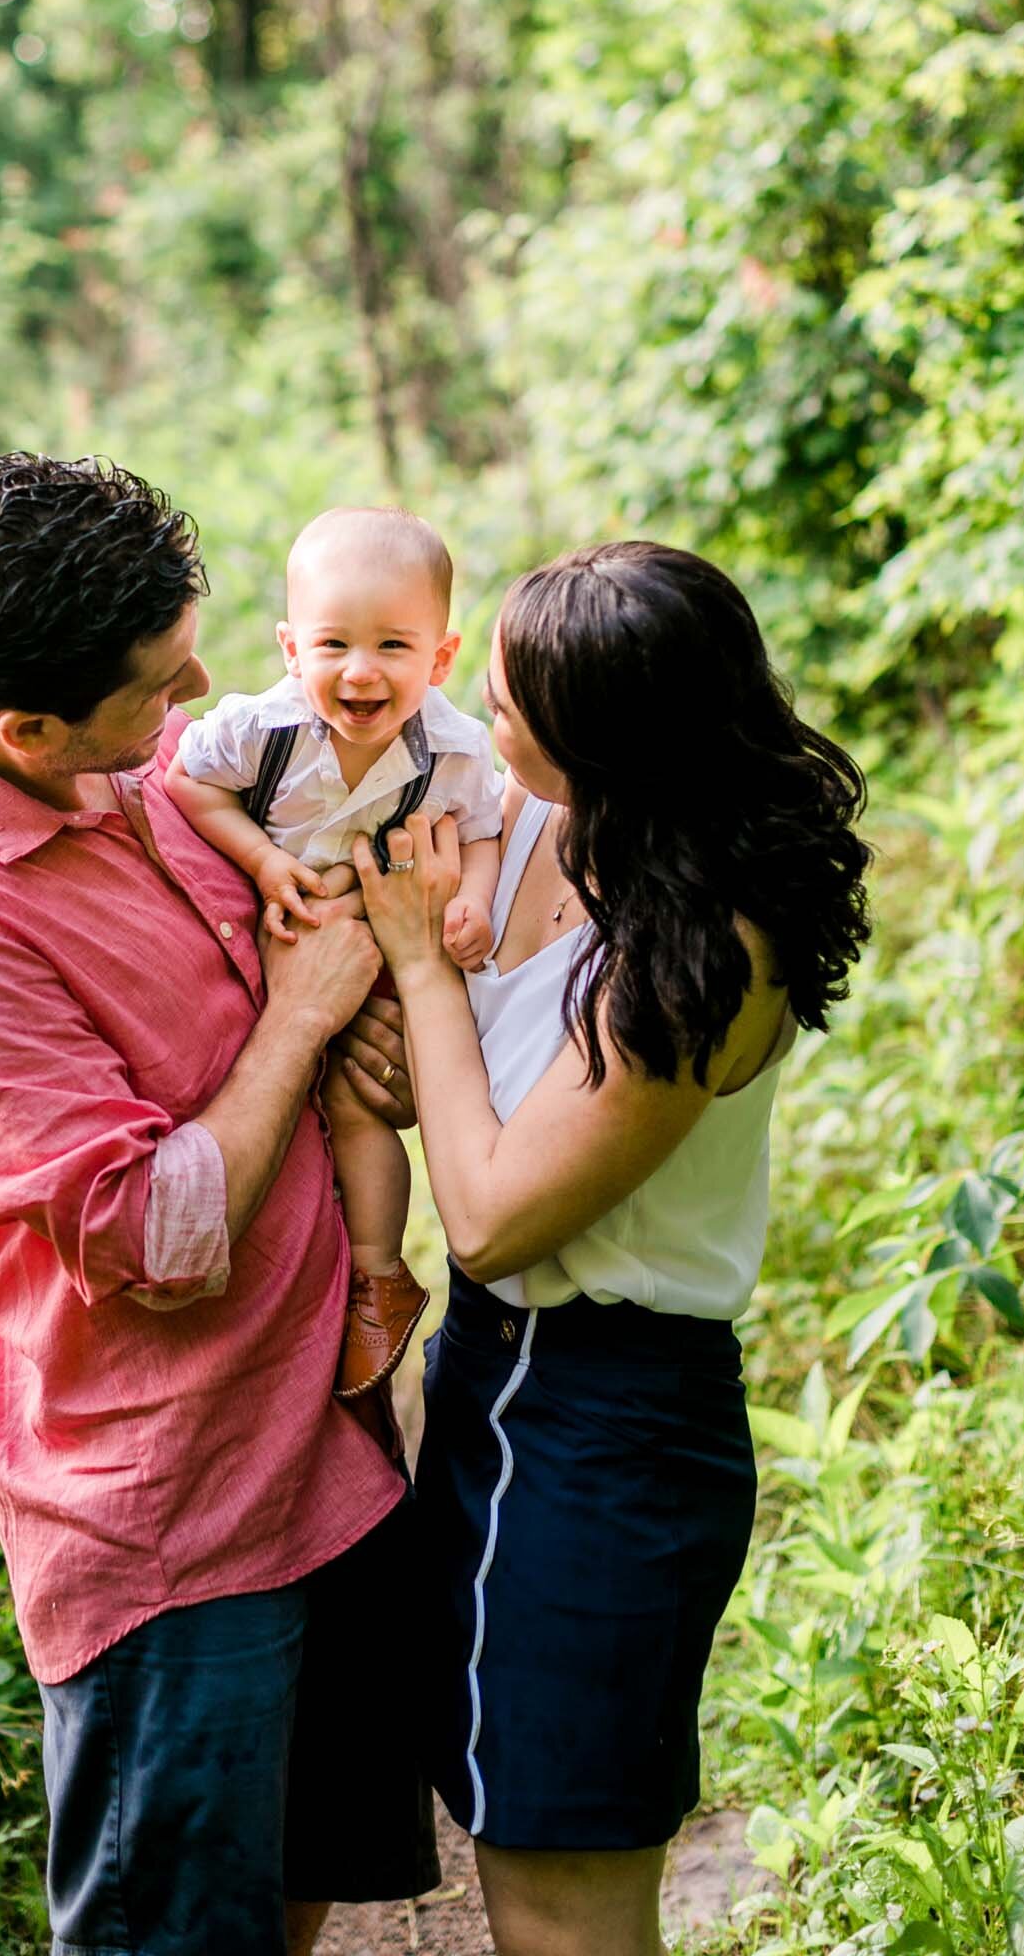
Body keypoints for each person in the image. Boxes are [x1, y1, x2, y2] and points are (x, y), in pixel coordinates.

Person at [0, 452, 439, 1956]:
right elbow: (153, 1240)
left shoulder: (139, 776)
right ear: (28, 728)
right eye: (163, 689)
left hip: (331, 1450)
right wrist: (304, 1020)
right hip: (181, 1526)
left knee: (301, 1890)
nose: (205, 694)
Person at [354, 541, 872, 1956]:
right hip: (491, 1377)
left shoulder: (709, 950)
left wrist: (416, 969)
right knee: (512, 1827)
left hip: (610, 1420)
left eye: (515, 696)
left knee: (561, 1894)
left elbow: (489, 1210)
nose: (484, 714)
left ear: (616, 735)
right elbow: (427, 1096)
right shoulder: (542, 822)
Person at [166, 504, 502, 1397]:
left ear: (439, 658)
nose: (360, 671)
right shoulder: (260, 730)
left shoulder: (454, 749)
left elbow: (482, 832)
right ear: (290, 649)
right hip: (286, 936)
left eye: (393, 647)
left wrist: (470, 897)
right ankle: (286, 1302)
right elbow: (187, 783)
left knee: (357, 1102)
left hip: (383, 944)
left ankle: (378, 1277)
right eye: (332, 646)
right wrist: (264, 858)